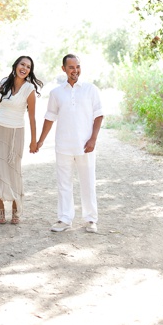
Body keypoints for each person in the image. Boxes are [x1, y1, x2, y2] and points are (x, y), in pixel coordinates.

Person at [36, 54, 104, 233]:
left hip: (86, 146)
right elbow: (50, 117)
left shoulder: (91, 89)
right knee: (64, 184)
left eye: (78, 67)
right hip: (63, 146)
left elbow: (99, 115)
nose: (75, 70)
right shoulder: (56, 93)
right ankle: (65, 219)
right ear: (64, 69)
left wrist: (93, 139)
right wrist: (40, 140)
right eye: (71, 67)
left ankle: (90, 219)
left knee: (88, 182)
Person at [0, 56, 43, 224]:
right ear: (16, 65)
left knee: (13, 171)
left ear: (30, 71)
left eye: (28, 66)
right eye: (22, 64)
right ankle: (0, 208)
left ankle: (15, 208)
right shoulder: (5, 82)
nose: (25, 68)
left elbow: (32, 118)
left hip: (16, 134)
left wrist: (34, 141)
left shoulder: (29, 89)